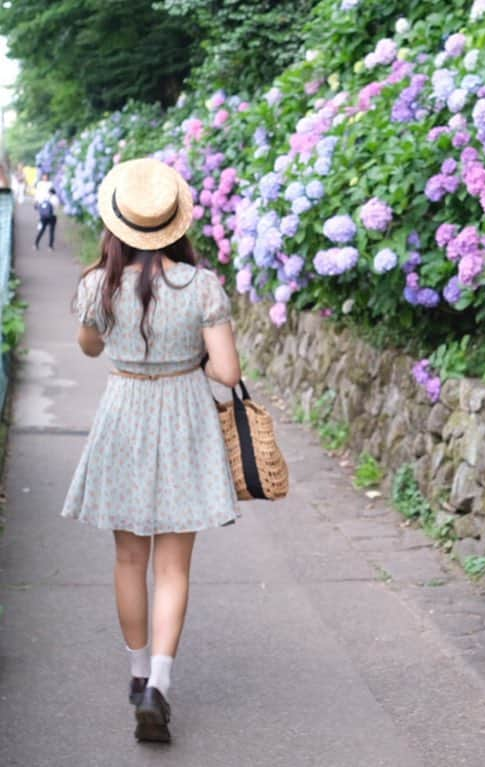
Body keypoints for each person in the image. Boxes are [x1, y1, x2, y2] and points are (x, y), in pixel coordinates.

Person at [61, 157, 242, 744]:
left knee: (129, 561)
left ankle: (138, 679)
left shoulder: (97, 283)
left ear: (118, 224)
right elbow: (227, 371)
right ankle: (162, 683)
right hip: (185, 414)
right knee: (173, 567)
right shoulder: (203, 286)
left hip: (125, 413)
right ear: (174, 224)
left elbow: (90, 348)